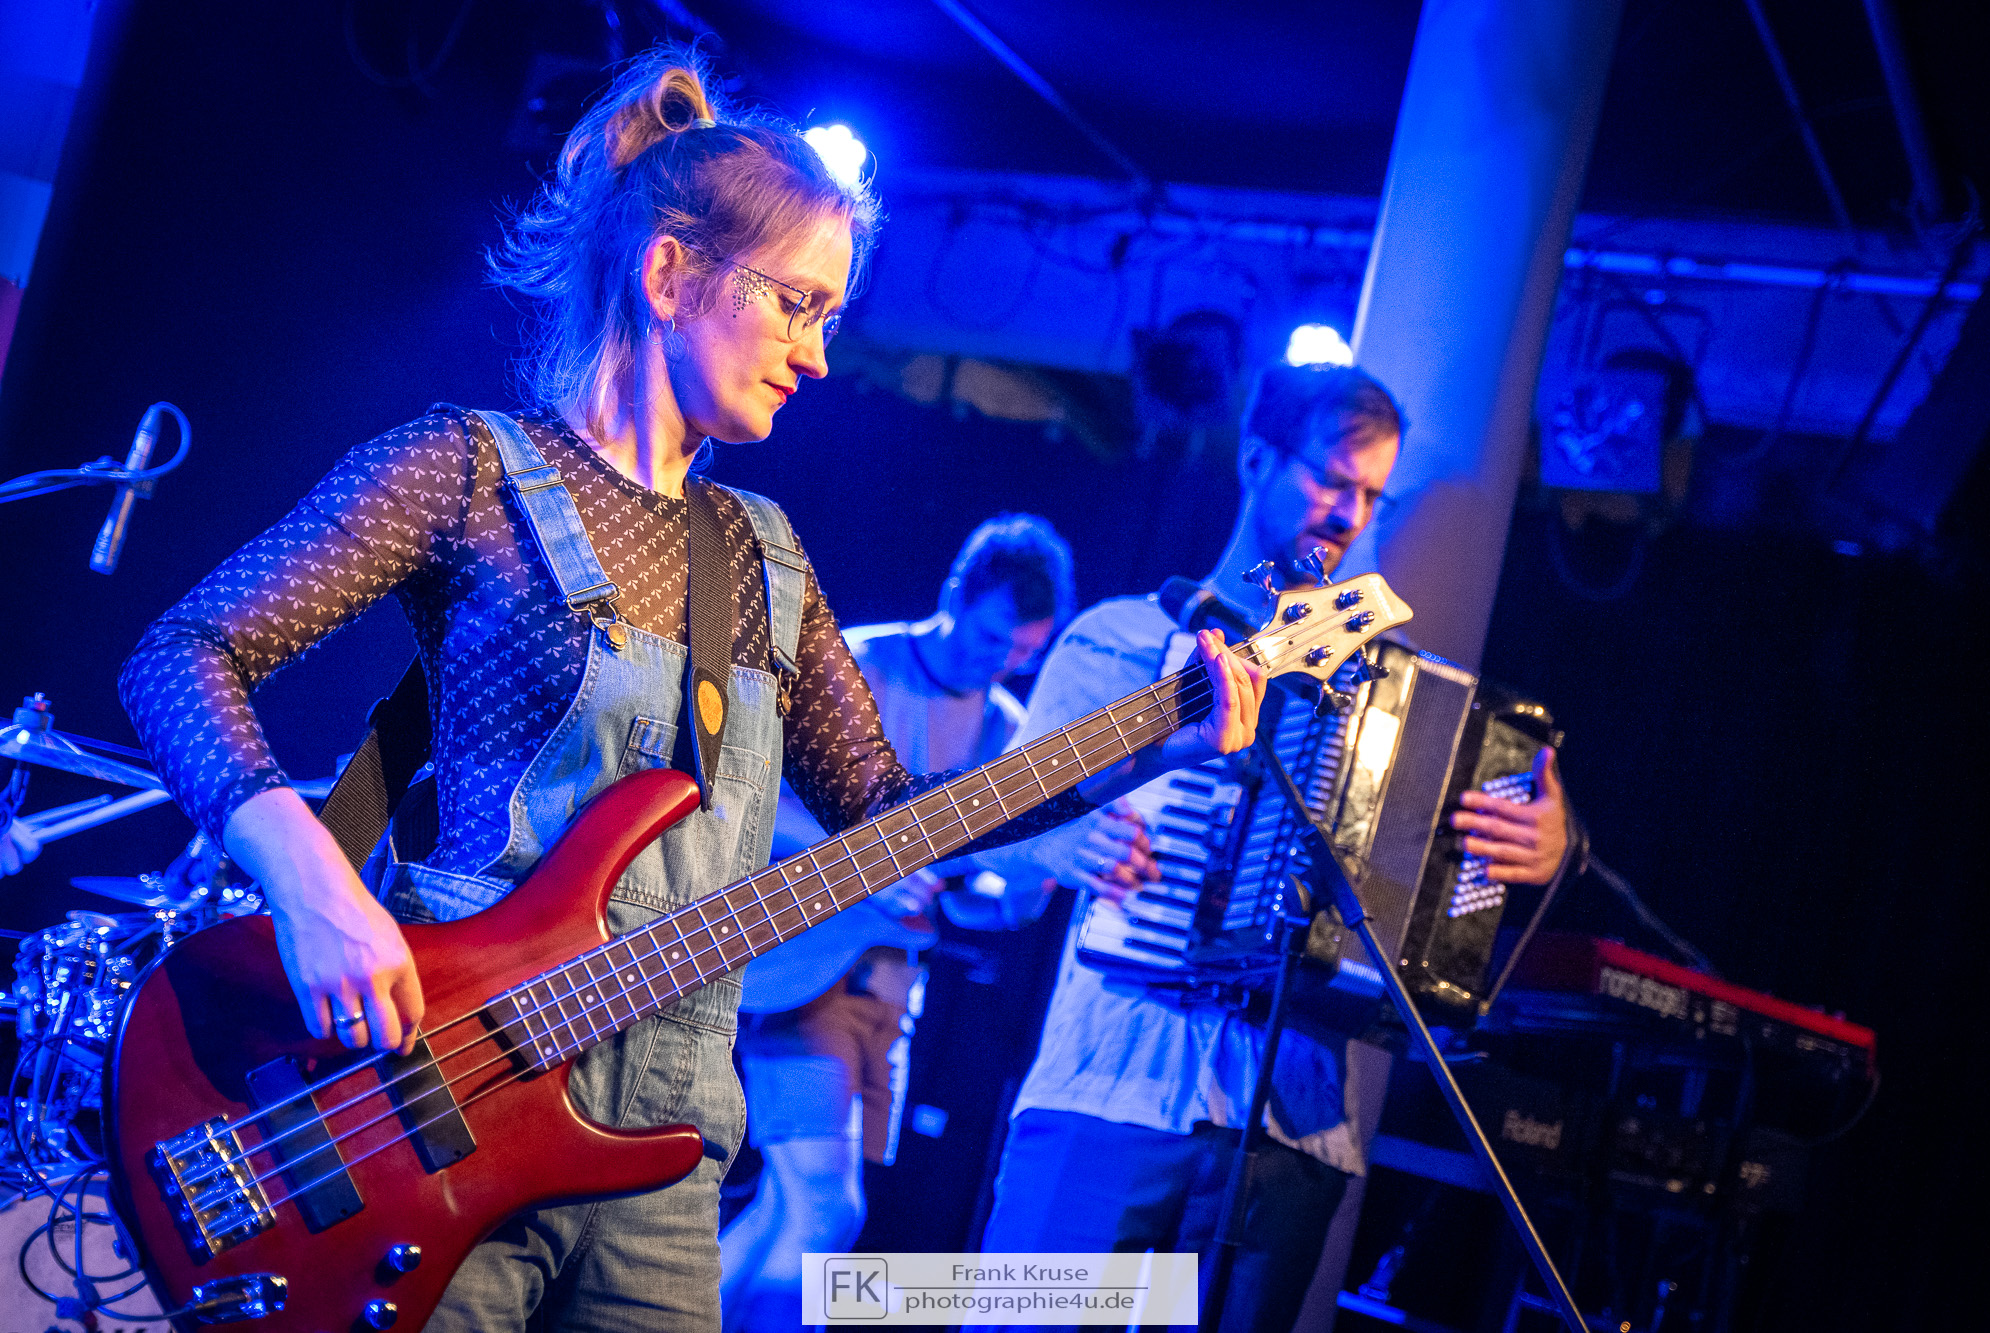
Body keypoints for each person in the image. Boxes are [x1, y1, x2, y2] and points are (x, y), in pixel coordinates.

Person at [115, 48, 1267, 1333]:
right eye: (796, 304)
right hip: (440, 1114)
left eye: (829, 317)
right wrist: (313, 886)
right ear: (669, 274)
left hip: (667, 1142)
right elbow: (179, 654)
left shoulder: (766, 557)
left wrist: (1158, 745)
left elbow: (891, 808)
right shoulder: (467, 471)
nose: (816, 355)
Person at [968, 362, 1570, 1333]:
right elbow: (980, 820)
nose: (1348, 513)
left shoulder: (1388, 692)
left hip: (1293, 1127)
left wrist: (1546, 842)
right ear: (1256, 458)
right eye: (1331, 478)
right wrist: (1063, 842)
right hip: (1108, 1086)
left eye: (1370, 494)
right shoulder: (1122, 638)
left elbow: (1457, 861)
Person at [719, 513, 1077, 1330]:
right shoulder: (858, 666)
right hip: (801, 967)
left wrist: (1021, 884)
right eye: (992, 638)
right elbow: (750, 800)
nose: (1003, 663)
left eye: (1023, 653)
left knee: (794, 1211)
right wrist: (869, 869)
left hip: (888, 991)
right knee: (826, 1209)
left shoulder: (1007, 730)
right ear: (955, 595)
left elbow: (970, 897)